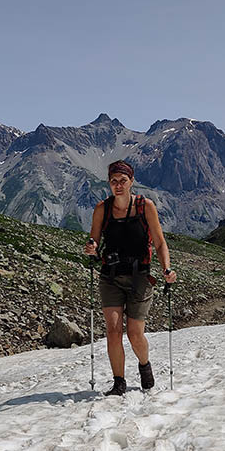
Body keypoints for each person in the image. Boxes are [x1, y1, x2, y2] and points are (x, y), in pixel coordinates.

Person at [83, 160, 177, 396]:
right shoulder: (101, 209)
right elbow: (94, 239)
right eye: (113, 181)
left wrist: (166, 269)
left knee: (135, 333)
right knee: (113, 331)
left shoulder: (146, 207)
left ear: (131, 181)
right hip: (110, 276)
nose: (118, 186)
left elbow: (159, 242)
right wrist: (91, 247)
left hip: (140, 278)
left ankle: (144, 365)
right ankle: (119, 382)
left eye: (122, 181)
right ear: (109, 183)